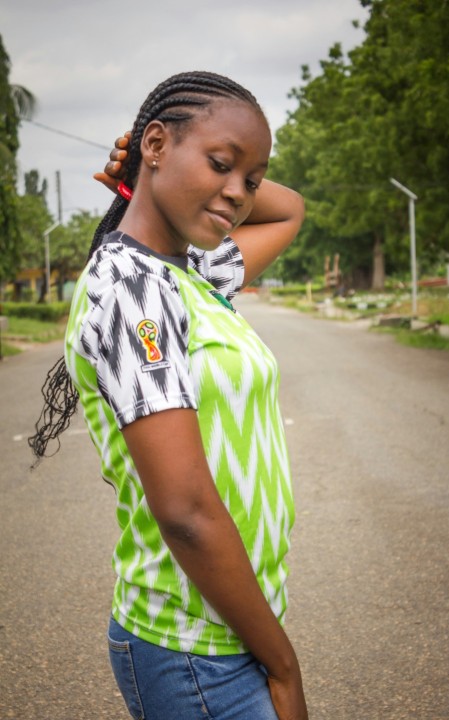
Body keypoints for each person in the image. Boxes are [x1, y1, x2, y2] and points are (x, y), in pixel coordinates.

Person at [29, 71, 307, 720]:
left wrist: (147, 176)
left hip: (227, 628)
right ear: (156, 142)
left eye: (252, 179)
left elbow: (289, 210)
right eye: (220, 164)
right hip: (192, 650)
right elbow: (184, 510)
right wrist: (285, 666)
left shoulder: (191, 272)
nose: (239, 194)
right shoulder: (130, 289)